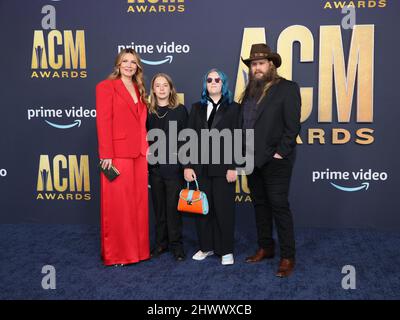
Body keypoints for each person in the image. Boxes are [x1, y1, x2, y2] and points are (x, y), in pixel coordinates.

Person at [239, 43, 301, 277]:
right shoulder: (250, 91)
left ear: (271, 65)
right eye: (253, 64)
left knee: (279, 207)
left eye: (261, 63)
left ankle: (288, 256)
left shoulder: (287, 88)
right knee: (260, 206)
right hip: (251, 159)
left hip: (276, 161)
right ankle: (266, 247)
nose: (257, 68)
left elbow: (292, 125)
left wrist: (280, 153)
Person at [96, 48, 149, 266]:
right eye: (125, 61)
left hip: (139, 154)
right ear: (118, 65)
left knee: (138, 205)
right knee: (118, 206)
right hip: (117, 155)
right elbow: (104, 121)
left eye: (133, 62)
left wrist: (146, 147)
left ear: (138, 66)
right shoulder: (106, 87)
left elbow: (140, 122)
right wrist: (106, 153)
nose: (129, 65)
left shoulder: (139, 88)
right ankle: (117, 254)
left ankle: (139, 252)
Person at [183, 68, 240, 266]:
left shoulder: (234, 108)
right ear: (205, 84)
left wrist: (235, 167)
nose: (213, 82)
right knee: (203, 209)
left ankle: (226, 250)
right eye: (209, 79)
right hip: (200, 168)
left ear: (223, 84)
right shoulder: (196, 108)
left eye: (218, 79)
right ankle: (205, 247)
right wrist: (188, 165)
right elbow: (188, 139)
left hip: (224, 168)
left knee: (224, 210)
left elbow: (240, 140)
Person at [147, 73, 188, 261]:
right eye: (158, 85)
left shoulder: (180, 110)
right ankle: (161, 244)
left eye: (165, 85)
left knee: (173, 209)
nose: (162, 88)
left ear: (171, 88)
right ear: (153, 89)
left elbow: (187, 140)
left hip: (174, 168)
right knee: (159, 208)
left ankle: (176, 245)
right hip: (154, 169)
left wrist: (185, 165)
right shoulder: (147, 111)